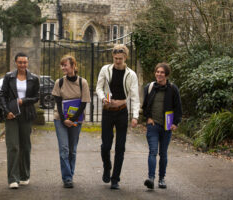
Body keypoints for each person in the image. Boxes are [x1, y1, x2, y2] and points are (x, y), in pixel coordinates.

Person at [96, 44, 140, 189]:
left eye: (120, 58)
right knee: (105, 146)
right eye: (115, 58)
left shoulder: (131, 74)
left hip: (122, 112)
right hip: (108, 111)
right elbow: (98, 87)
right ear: (113, 57)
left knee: (120, 147)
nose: (118, 61)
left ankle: (115, 179)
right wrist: (103, 98)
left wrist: (135, 116)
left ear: (125, 57)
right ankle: (107, 167)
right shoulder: (105, 69)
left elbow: (134, 96)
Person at [0, 52, 40, 189]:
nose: (23, 65)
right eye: (20, 62)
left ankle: (24, 175)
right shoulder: (9, 77)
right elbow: (2, 95)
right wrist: (7, 112)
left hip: (26, 114)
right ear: (15, 63)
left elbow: (36, 97)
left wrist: (23, 101)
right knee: (13, 146)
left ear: (27, 63)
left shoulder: (33, 78)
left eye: (25, 62)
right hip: (11, 115)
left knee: (25, 146)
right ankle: (13, 179)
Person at [52, 55, 91, 188]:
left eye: (65, 65)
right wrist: (64, 119)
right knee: (64, 148)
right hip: (60, 119)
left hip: (76, 120)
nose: (63, 67)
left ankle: (70, 174)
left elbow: (84, 103)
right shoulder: (59, 82)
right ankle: (67, 178)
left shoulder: (83, 82)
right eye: (62, 65)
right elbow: (57, 102)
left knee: (72, 150)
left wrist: (73, 119)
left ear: (73, 66)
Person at [142, 63, 182, 189]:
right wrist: (148, 118)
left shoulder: (173, 88)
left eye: (162, 72)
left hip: (167, 126)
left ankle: (161, 179)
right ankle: (151, 178)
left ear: (167, 75)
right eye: (157, 72)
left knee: (163, 153)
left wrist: (175, 123)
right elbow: (145, 105)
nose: (159, 74)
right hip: (153, 125)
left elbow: (178, 107)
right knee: (153, 151)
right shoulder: (150, 87)